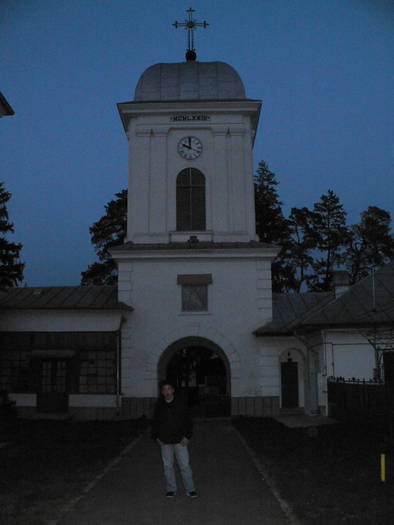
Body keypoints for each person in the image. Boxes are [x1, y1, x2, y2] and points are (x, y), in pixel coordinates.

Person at [151, 379, 198, 498]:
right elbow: (155, 423)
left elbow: (188, 421)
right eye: (164, 389)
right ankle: (171, 489)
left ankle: (190, 489)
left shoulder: (180, 404)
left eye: (169, 389)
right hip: (165, 441)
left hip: (180, 441)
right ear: (162, 392)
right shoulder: (159, 406)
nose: (167, 391)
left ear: (173, 390)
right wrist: (156, 437)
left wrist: (187, 436)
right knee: (168, 466)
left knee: (185, 465)